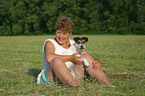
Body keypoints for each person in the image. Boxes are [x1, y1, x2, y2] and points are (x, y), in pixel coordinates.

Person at [37, 16, 115, 87]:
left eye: (64, 33)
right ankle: (77, 87)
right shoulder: (50, 42)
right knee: (56, 61)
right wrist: (71, 58)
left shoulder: (74, 43)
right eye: (58, 32)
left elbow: (87, 55)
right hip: (51, 77)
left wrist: (97, 61)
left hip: (69, 75)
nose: (61, 36)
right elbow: (49, 58)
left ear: (70, 34)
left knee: (85, 57)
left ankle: (109, 85)